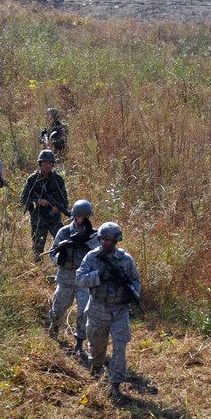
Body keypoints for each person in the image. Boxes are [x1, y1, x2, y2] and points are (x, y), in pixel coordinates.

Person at [75, 222, 141, 400]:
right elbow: (80, 279)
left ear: (116, 241)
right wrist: (99, 275)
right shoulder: (92, 257)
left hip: (119, 310)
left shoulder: (126, 260)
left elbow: (135, 280)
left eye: (110, 240)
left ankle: (116, 384)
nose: (106, 243)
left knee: (120, 347)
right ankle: (96, 368)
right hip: (98, 308)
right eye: (103, 239)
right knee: (97, 345)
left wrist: (133, 293)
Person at [48, 199, 99, 356]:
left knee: (84, 311)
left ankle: (79, 342)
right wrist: (60, 254)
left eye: (85, 217)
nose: (82, 220)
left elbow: (99, 254)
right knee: (59, 307)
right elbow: (52, 252)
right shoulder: (64, 232)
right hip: (65, 277)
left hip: (83, 278)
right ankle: (54, 328)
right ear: (74, 216)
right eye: (79, 217)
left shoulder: (93, 233)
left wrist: (87, 242)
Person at [20, 149, 69, 260]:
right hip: (38, 218)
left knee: (63, 243)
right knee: (38, 249)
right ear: (40, 164)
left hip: (54, 219)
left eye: (49, 163)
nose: (47, 165)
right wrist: (38, 201)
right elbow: (23, 198)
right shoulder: (33, 180)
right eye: (44, 163)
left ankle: (62, 265)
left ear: (53, 164)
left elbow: (65, 200)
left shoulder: (58, 180)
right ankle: (37, 272)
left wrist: (59, 207)